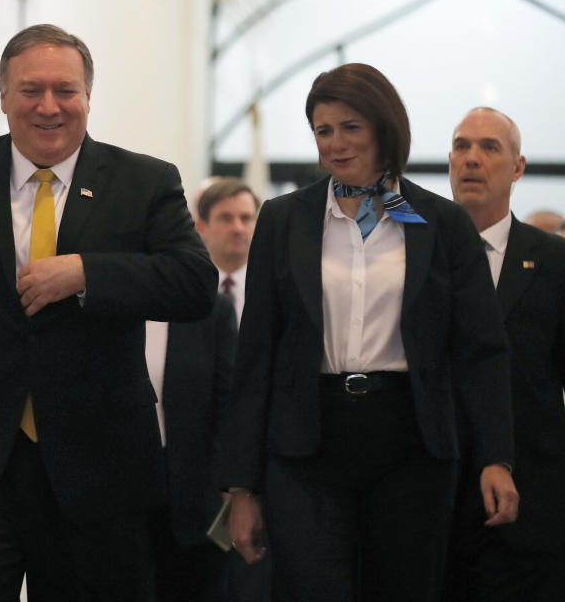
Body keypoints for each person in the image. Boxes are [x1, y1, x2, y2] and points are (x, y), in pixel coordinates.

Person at [0, 23, 216, 601]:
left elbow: (195, 284)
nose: (49, 107)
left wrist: (87, 273)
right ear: (3, 97)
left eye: (65, 91)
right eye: (31, 91)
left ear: (88, 96)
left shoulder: (144, 181)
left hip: (100, 469)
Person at [217, 63, 518, 601]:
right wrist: (241, 485)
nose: (335, 144)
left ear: (384, 128)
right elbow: (256, 355)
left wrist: (497, 456)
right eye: (323, 130)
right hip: (306, 443)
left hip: (411, 444)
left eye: (351, 127)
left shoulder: (440, 224)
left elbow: (480, 351)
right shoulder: (285, 218)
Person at [445, 107, 565, 601]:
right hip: (431, 496)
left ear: (517, 167)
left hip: (531, 498)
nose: (472, 159)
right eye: (461, 146)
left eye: (489, 147)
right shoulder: (413, 256)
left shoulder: (554, 261)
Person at [146, 293, 237, 602]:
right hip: (119, 505)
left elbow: (229, 409)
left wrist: (235, 486)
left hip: (196, 503)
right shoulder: (106, 304)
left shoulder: (211, 309)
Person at [196, 179, 261, 325]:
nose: (238, 228)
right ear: (201, 227)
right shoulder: (189, 290)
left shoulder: (271, 289)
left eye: (246, 218)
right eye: (226, 218)